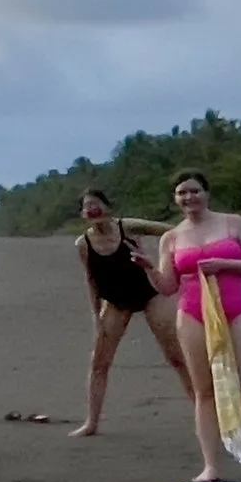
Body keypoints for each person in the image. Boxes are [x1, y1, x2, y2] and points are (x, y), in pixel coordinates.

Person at [151, 171, 241, 482]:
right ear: (176, 199)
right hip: (192, 311)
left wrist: (225, 265)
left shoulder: (233, 223)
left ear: (206, 193)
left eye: (194, 191)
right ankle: (210, 466)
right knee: (204, 392)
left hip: (237, 309)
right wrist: (147, 268)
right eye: (181, 193)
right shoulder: (172, 238)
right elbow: (167, 285)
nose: (189, 198)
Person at [70, 187, 193, 437]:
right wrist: (95, 316)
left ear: (108, 207)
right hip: (115, 301)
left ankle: (204, 410)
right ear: (83, 214)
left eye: (97, 203)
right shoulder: (83, 244)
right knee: (99, 363)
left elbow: (171, 231)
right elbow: (91, 280)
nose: (93, 209)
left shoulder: (129, 227)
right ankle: (91, 423)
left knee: (177, 358)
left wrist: (164, 263)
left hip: (150, 293)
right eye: (87, 206)